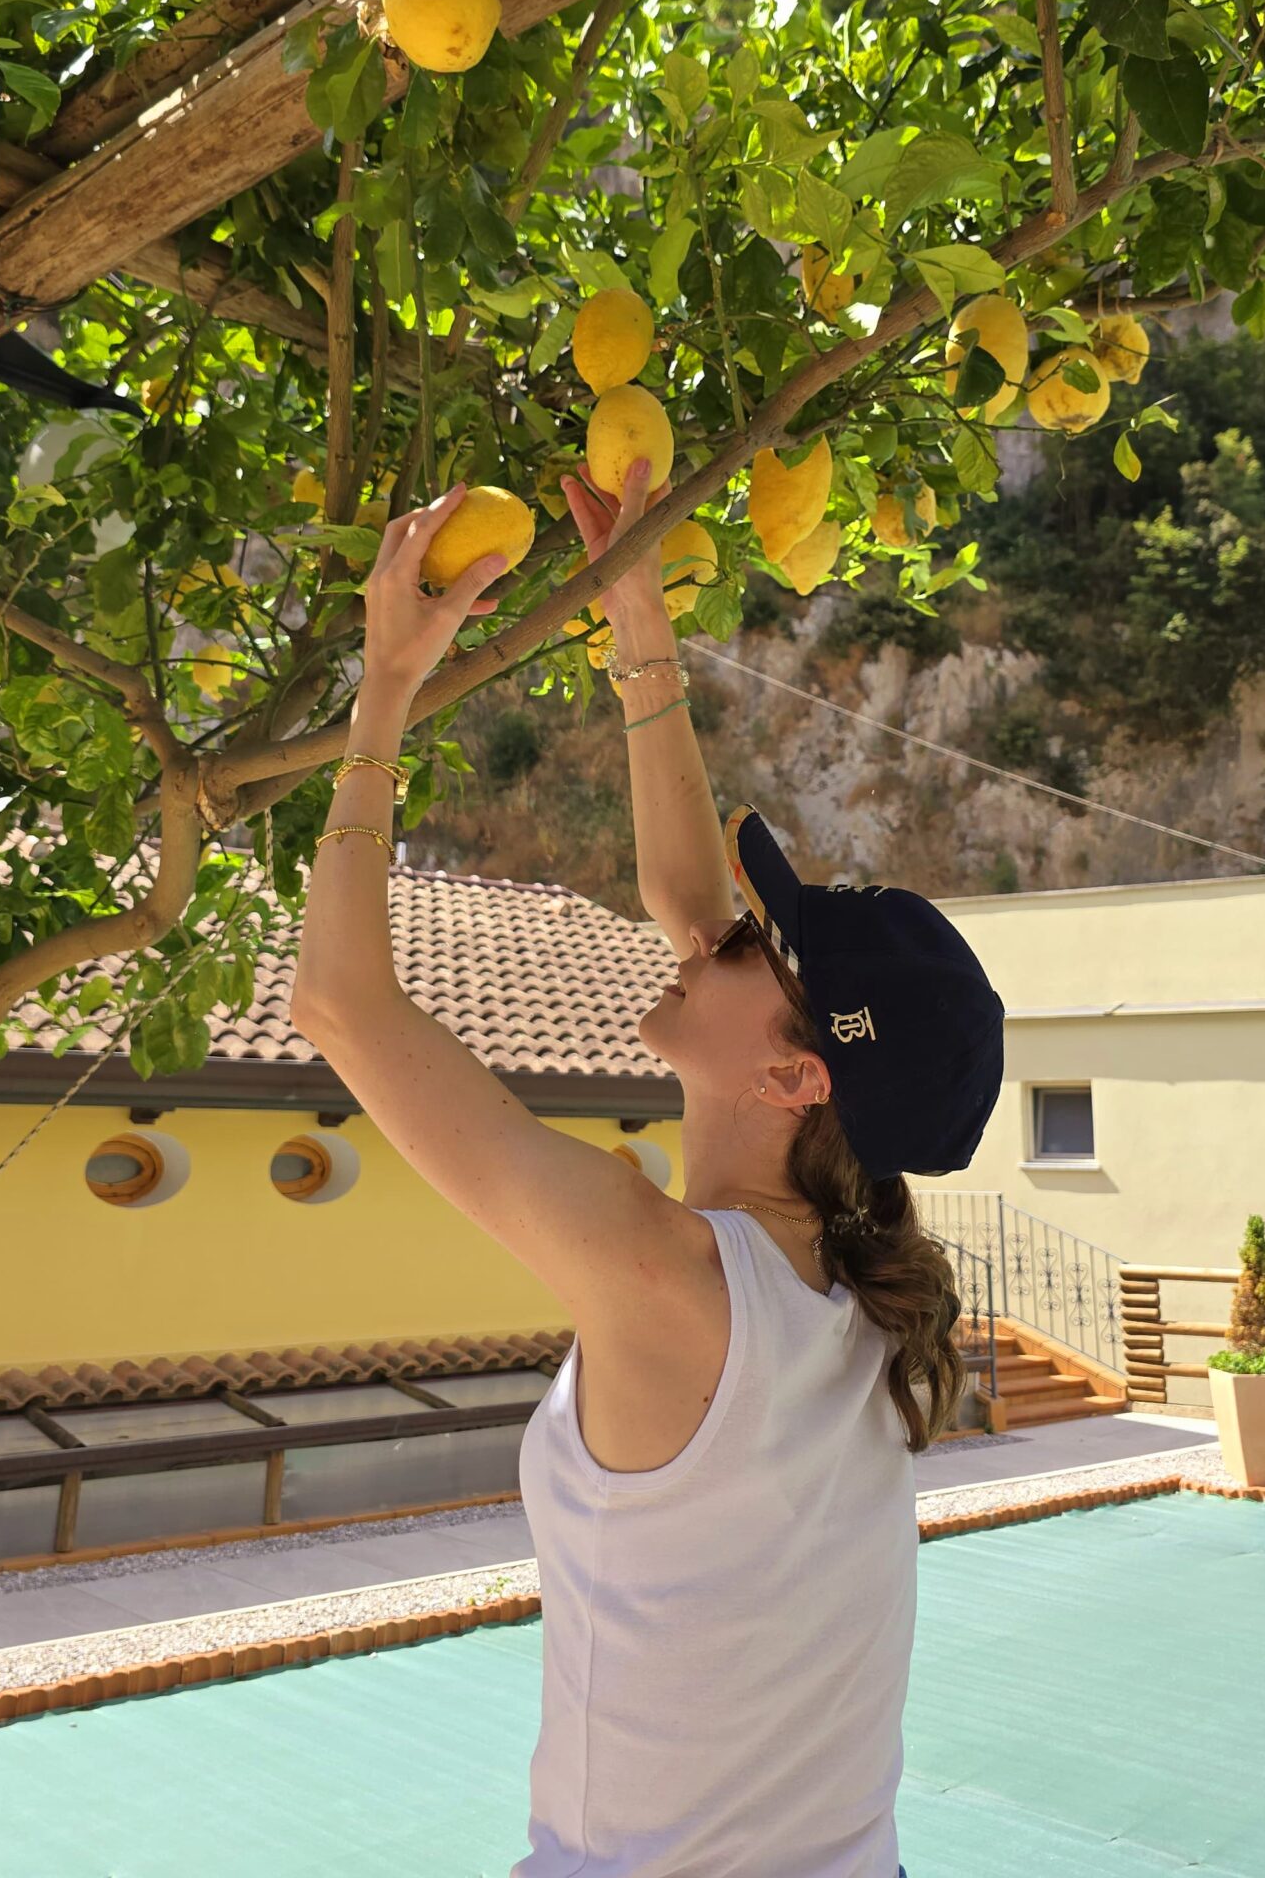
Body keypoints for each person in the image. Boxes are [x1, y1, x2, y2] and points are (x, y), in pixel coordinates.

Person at [292, 457, 1006, 1878]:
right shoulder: (841, 1295)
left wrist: (386, 691)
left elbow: (339, 1007)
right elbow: (691, 909)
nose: (708, 931)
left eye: (758, 947)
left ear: (798, 1080)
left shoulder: (671, 1271)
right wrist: (638, 616)